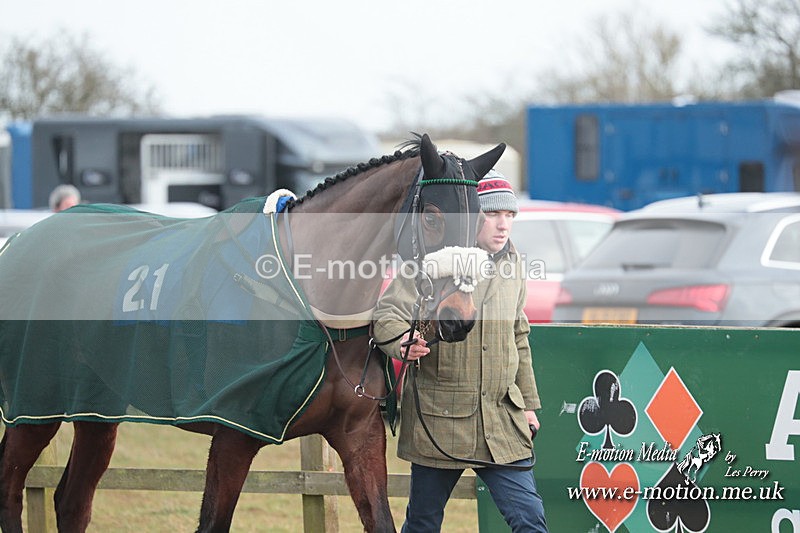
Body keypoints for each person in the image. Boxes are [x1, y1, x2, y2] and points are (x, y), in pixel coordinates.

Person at [373, 170, 547, 532]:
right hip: (440, 418)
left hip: (501, 420)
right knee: (422, 524)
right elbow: (388, 313)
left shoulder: (515, 266)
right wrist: (400, 342)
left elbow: (519, 335)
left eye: (510, 216)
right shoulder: (430, 264)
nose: (503, 225)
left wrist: (527, 405)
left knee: (529, 520)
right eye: (492, 215)